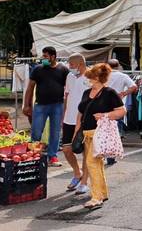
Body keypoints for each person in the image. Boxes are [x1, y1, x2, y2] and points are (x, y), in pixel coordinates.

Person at [75, 63, 126, 210]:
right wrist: (76, 131)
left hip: (100, 134)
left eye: (91, 76)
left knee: (91, 163)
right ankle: (102, 193)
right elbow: (80, 113)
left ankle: (96, 197)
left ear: (98, 78)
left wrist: (105, 115)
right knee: (96, 164)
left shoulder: (109, 93)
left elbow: (122, 111)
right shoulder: (86, 92)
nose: (89, 79)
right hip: (86, 134)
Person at [23, 46, 69, 167]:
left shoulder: (63, 69)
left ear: (53, 57)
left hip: (57, 105)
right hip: (40, 105)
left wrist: (67, 106)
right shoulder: (38, 69)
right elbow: (30, 88)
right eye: (43, 56)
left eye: (45, 56)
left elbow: (68, 88)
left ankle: (52, 156)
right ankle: (33, 155)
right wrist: (26, 105)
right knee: (36, 131)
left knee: (55, 131)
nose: (43, 58)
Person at [62, 53, 90, 194]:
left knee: (86, 152)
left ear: (80, 64)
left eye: (71, 65)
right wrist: (63, 115)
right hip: (69, 119)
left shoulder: (91, 77)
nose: (70, 67)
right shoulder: (69, 77)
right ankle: (77, 173)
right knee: (67, 149)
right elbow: (66, 96)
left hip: (85, 120)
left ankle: (84, 182)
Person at [105, 59, 138, 166]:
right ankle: (111, 156)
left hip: (103, 106)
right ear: (118, 66)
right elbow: (134, 87)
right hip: (117, 107)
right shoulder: (122, 76)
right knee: (114, 131)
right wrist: (124, 93)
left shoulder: (104, 75)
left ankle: (104, 153)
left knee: (103, 130)